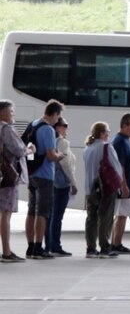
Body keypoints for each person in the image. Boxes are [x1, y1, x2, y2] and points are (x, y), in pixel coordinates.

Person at [24, 99, 65, 260]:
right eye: (58, 116)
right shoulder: (48, 129)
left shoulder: (33, 124)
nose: (58, 120)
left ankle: (30, 247)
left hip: (32, 173)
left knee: (31, 211)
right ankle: (38, 248)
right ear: (54, 114)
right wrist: (60, 155)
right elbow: (50, 155)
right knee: (42, 212)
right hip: (45, 175)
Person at [83, 122, 121, 258]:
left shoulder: (88, 148)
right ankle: (105, 247)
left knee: (91, 218)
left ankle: (91, 248)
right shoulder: (106, 147)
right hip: (105, 187)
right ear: (102, 133)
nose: (109, 134)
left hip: (89, 188)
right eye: (108, 131)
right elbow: (116, 168)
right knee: (105, 216)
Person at [0, 100, 31, 262]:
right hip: (7, 176)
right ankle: (6, 252)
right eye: (11, 112)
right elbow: (19, 150)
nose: (13, 115)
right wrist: (30, 149)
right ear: (2, 113)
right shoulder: (6, 129)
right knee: (5, 214)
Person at [47, 117, 77, 256]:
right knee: (57, 216)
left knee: (51, 215)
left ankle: (48, 244)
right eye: (64, 125)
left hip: (51, 181)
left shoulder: (51, 141)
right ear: (57, 127)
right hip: (61, 183)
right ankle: (55, 245)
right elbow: (66, 165)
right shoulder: (62, 142)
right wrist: (73, 183)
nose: (67, 128)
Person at [110, 113, 130, 255]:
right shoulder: (120, 141)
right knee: (122, 215)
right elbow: (119, 166)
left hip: (126, 184)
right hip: (124, 186)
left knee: (121, 215)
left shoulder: (124, 140)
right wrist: (124, 185)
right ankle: (116, 244)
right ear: (125, 125)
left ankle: (115, 242)